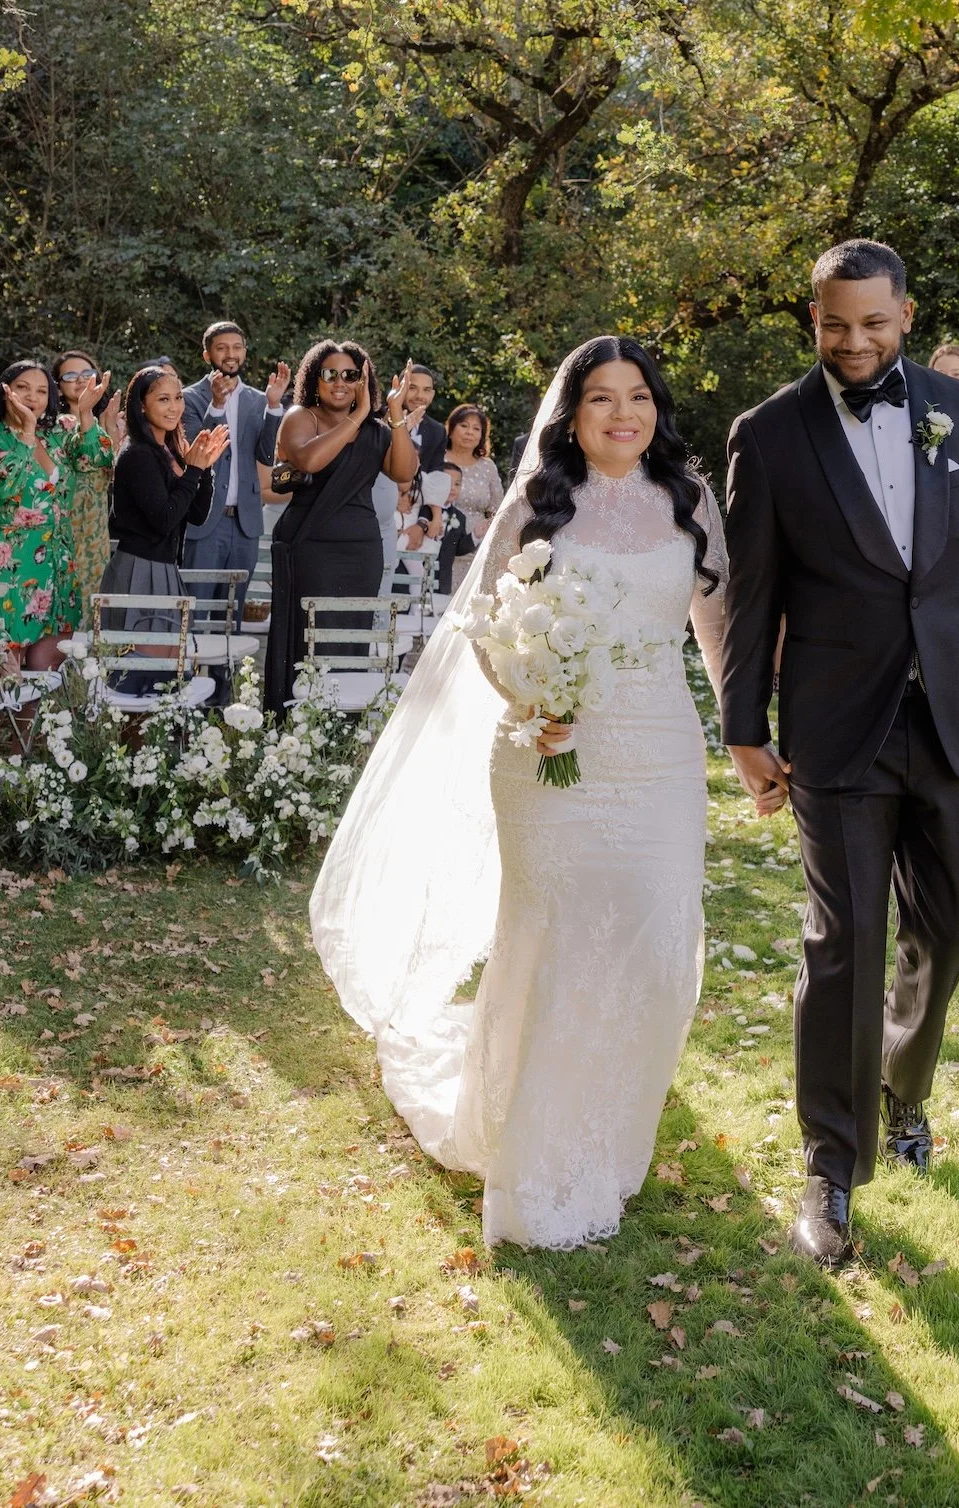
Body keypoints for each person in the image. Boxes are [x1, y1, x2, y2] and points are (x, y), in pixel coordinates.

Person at [310, 335, 728, 1251]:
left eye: (639, 398)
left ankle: (612, 1133)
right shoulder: (541, 502)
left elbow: (714, 627)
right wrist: (534, 698)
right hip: (547, 748)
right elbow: (488, 624)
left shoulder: (689, 501)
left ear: (657, 408)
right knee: (558, 934)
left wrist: (748, 732)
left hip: (659, 747)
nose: (624, 414)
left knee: (655, 935)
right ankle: (536, 1161)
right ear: (570, 418)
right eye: (602, 400)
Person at [720, 237, 959, 1271]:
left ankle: (901, 1087)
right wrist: (744, 727)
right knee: (844, 941)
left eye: (872, 322)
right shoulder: (768, 433)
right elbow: (751, 595)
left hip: (952, 715)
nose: (853, 341)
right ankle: (832, 1168)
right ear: (812, 318)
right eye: (833, 323)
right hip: (835, 725)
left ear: (904, 316)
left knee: (952, 923)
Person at [0, 361, 113, 745]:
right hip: (7, 564)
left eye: (42, 390)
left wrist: (85, 414)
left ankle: (23, 759)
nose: (33, 397)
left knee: (42, 668)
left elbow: (95, 459)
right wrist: (27, 436)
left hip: (57, 563)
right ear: (5, 391)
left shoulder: (61, 433)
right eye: (23, 387)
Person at [265, 342, 416, 714]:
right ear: (314, 379)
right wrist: (360, 412)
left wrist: (393, 412)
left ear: (363, 380)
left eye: (351, 375)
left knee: (351, 637)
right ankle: (301, 727)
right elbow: (310, 460)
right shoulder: (302, 417)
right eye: (330, 374)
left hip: (360, 551)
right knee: (310, 638)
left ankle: (343, 725)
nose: (340, 382)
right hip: (310, 547)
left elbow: (404, 472)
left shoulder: (376, 429)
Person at [100, 365, 229, 679]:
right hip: (139, 572)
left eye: (178, 398)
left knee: (167, 676)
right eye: (163, 400)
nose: (174, 407)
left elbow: (196, 516)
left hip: (166, 568)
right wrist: (194, 472)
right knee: (137, 673)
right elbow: (164, 519)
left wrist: (205, 469)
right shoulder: (137, 455)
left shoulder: (169, 450)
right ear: (142, 405)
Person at [181, 324, 290, 616]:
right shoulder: (188, 398)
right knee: (195, 611)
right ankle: (192, 664)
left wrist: (275, 405)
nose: (231, 354)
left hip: (245, 525)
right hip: (204, 523)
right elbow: (198, 451)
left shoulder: (258, 399)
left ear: (244, 352)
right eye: (222, 347)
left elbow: (267, 455)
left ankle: (225, 666)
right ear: (207, 355)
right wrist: (217, 404)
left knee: (232, 614)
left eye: (237, 347)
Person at [54, 350, 123, 602]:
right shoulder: (54, 425)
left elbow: (115, 472)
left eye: (87, 373)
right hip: (63, 524)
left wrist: (111, 426)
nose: (80, 380)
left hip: (95, 526)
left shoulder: (107, 421)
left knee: (92, 601)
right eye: (70, 375)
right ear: (59, 388)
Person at [438, 404, 504, 593]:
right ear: (451, 429)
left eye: (476, 429)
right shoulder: (438, 459)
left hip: (478, 544)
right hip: (443, 541)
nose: (470, 433)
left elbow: (497, 508)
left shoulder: (488, 466)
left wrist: (485, 533)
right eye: (464, 426)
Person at [401, 365, 447, 476]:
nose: (419, 396)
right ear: (398, 388)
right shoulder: (378, 419)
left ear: (432, 395)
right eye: (412, 388)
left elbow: (436, 474)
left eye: (426, 390)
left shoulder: (438, 431)